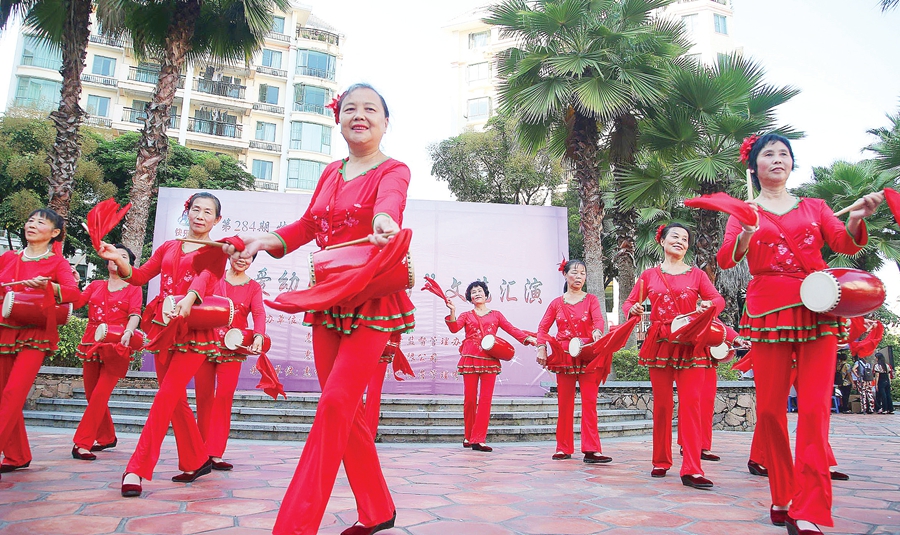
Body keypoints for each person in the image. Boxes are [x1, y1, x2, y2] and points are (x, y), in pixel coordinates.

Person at [226, 83, 413, 535]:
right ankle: (377, 509)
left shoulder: (394, 169)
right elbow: (310, 224)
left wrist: (385, 224)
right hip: (328, 299)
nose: (359, 115)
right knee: (344, 411)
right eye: (350, 109)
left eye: (370, 109)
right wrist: (264, 240)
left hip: (372, 298)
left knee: (334, 405)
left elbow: (389, 205)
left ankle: (294, 526)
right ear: (339, 119)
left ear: (385, 122)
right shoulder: (331, 171)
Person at [716, 133, 881, 533]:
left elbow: (844, 245)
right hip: (768, 311)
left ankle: (809, 509)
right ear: (754, 166)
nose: (778, 159)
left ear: (792, 163)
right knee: (770, 411)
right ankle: (782, 493)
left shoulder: (815, 207)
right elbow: (725, 260)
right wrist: (746, 231)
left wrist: (856, 217)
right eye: (768, 154)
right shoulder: (744, 212)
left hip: (817, 308)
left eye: (784, 153)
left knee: (814, 409)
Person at [99, 192, 226, 497]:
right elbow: (140, 276)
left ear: (217, 220)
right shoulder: (169, 246)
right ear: (188, 212)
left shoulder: (216, 251)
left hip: (194, 330)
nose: (200, 216)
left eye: (207, 212)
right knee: (174, 399)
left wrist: (189, 299)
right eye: (195, 209)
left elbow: (203, 280)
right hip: (163, 327)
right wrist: (119, 260)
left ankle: (136, 468)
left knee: (165, 397)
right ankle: (195, 460)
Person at [623, 222, 725, 489]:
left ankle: (692, 467)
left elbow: (718, 300)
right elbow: (630, 302)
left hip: (691, 342)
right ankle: (660, 460)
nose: (680, 241)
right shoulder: (649, 275)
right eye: (675, 236)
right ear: (662, 241)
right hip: (661, 342)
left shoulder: (697, 275)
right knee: (662, 405)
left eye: (685, 238)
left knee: (691, 404)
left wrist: (708, 304)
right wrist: (632, 309)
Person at [0, 209, 79, 478]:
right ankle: (17, 454)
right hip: (6, 330)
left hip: (36, 334)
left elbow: (73, 294)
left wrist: (49, 287)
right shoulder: (8, 258)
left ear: (54, 233)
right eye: (30, 221)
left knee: (14, 393)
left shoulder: (57, 263)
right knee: (3, 394)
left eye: (40, 222)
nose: (32, 225)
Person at [444, 281, 536, 451]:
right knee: (470, 400)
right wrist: (452, 311)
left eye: (480, 291)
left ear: (486, 295)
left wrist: (527, 338)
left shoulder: (496, 315)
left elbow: (511, 329)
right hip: (470, 358)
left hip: (490, 359)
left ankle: (479, 439)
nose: (477, 293)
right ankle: (468, 435)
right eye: (473, 292)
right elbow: (454, 328)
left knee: (485, 400)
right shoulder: (466, 315)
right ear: (470, 297)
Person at [195, 254, 266, 471]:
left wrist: (259, 336)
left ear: (252, 260)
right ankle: (199, 451)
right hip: (206, 343)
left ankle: (215, 452)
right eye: (238, 255)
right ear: (229, 255)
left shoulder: (253, 287)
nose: (242, 260)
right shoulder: (213, 278)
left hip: (233, 348)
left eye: (247, 257)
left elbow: (259, 313)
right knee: (203, 396)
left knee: (224, 397)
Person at [71, 244, 142, 460]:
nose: (116, 258)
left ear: (129, 264)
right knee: (92, 394)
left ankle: (82, 442)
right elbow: (77, 303)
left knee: (100, 394)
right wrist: (73, 283)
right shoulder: (95, 285)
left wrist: (129, 331)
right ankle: (107, 436)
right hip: (91, 343)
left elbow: (135, 314)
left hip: (117, 345)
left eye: (123, 256)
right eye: (113, 255)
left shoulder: (134, 288)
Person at [535, 260, 609, 464]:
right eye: (575, 273)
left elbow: (598, 320)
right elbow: (542, 328)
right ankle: (563, 447)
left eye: (583, 273)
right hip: (564, 356)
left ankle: (592, 449)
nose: (579, 277)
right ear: (565, 275)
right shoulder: (556, 303)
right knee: (564, 403)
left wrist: (597, 331)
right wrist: (541, 347)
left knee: (590, 402)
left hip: (587, 354)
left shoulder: (591, 299)